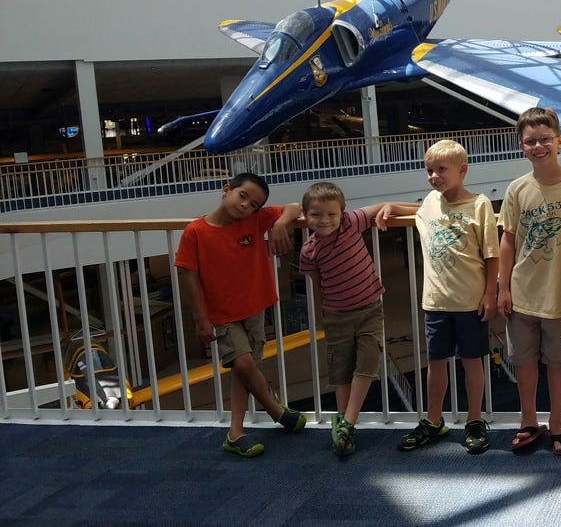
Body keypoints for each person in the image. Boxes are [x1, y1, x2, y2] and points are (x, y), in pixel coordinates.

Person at [174, 172, 306, 458]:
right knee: (245, 365)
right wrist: (201, 320)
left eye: (254, 204)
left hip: (255, 306)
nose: (246, 206)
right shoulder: (195, 232)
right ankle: (275, 410)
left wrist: (282, 222)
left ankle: (235, 432)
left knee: (242, 369)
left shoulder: (254, 221)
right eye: (242, 195)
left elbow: (295, 207)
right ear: (226, 190)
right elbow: (189, 278)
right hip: (222, 315)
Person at [297, 182, 420, 456]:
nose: (325, 220)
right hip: (337, 315)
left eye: (331, 214)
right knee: (341, 370)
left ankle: (348, 421)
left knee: (367, 363)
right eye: (316, 215)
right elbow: (319, 284)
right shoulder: (309, 250)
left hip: (369, 309)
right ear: (305, 216)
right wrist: (324, 313)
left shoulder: (351, 224)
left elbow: (380, 206)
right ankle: (343, 425)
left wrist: (424, 208)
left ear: (342, 213)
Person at [396, 139, 500, 455]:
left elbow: (491, 254)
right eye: (429, 170)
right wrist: (384, 208)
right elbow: (416, 210)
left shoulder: (480, 204)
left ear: (462, 170)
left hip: (469, 301)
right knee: (436, 362)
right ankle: (433, 419)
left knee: (472, 361)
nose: (434, 176)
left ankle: (474, 419)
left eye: (442, 169)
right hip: (436, 302)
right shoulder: (430, 202)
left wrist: (490, 293)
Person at [497, 107, 561, 456]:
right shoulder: (518, 189)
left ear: (560, 141)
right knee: (524, 361)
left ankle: (558, 421)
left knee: (558, 364)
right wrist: (503, 287)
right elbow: (508, 239)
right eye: (530, 141)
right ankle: (529, 419)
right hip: (523, 292)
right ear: (521, 146)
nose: (538, 146)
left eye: (545, 139)